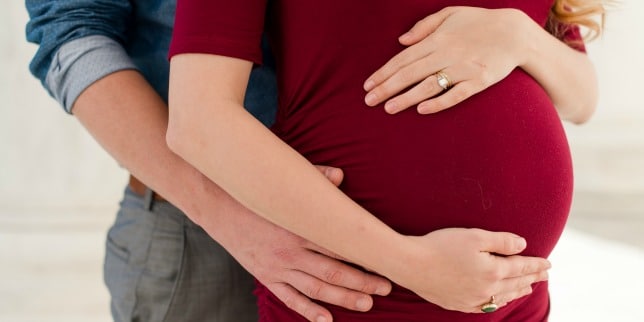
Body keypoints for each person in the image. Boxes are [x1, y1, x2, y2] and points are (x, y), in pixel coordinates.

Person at [25, 1, 558, 321]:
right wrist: (226, 216)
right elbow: (69, 34)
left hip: (421, 259)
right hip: (199, 229)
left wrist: (520, 36)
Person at [167, 0, 605, 321]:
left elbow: (582, 98)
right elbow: (199, 123)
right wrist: (413, 265)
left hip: (513, 297)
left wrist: (520, 35)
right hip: (356, 289)